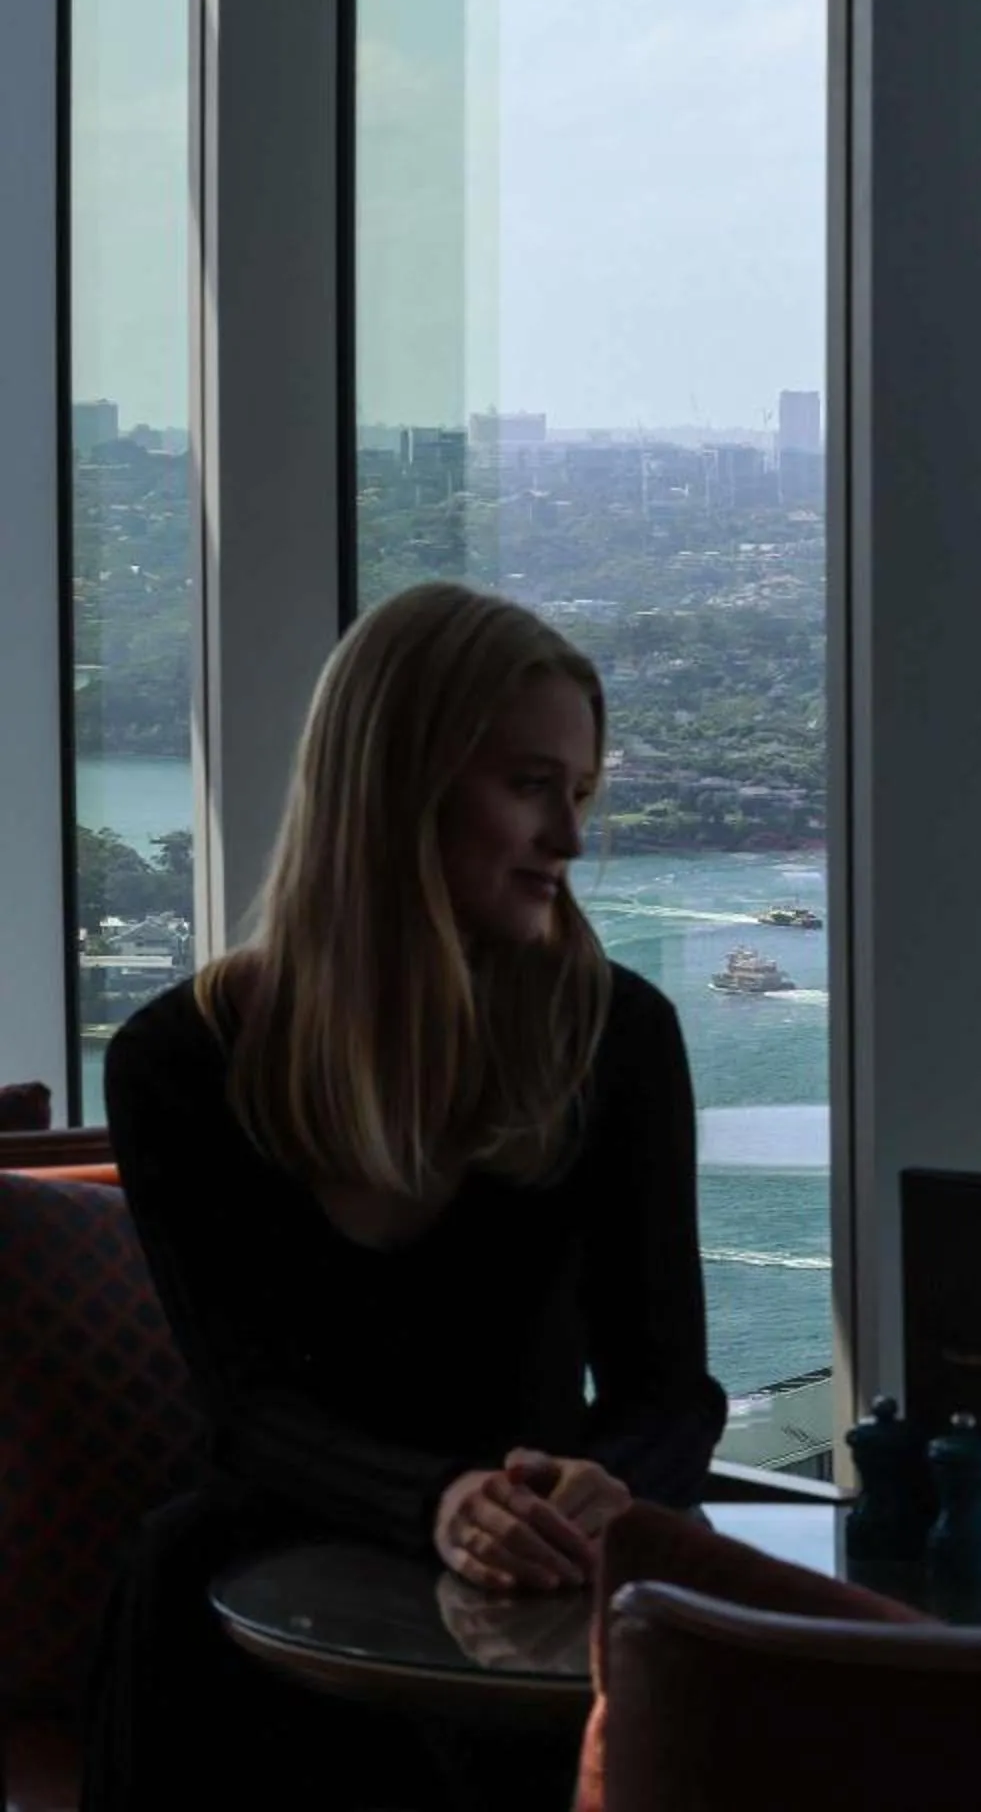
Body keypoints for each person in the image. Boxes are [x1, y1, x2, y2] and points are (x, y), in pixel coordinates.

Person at [84, 582, 728, 1812]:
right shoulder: (177, 1063)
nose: (570, 839)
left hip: (534, 1591)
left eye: (581, 793)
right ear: (397, 788)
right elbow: (246, 1410)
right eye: (531, 786)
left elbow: (670, 1389)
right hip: (255, 1590)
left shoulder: (619, 1039)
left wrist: (612, 1486)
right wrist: (437, 1503)